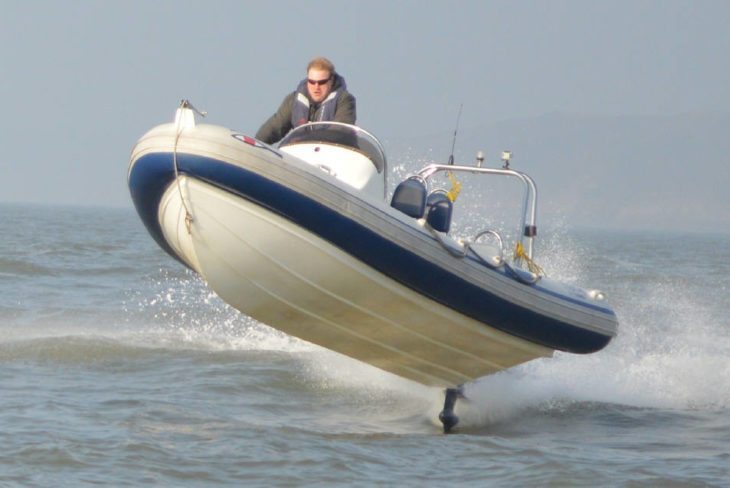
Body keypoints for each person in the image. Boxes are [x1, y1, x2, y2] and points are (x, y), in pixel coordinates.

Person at [255, 57, 356, 144]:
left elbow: (340, 131)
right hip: (302, 155)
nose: (316, 87)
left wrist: (306, 139)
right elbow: (274, 127)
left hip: (332, 155)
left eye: (322, 82)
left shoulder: (345, 100)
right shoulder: (293, 101)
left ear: (331, 81)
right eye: (312, 82)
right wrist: (255, 144)